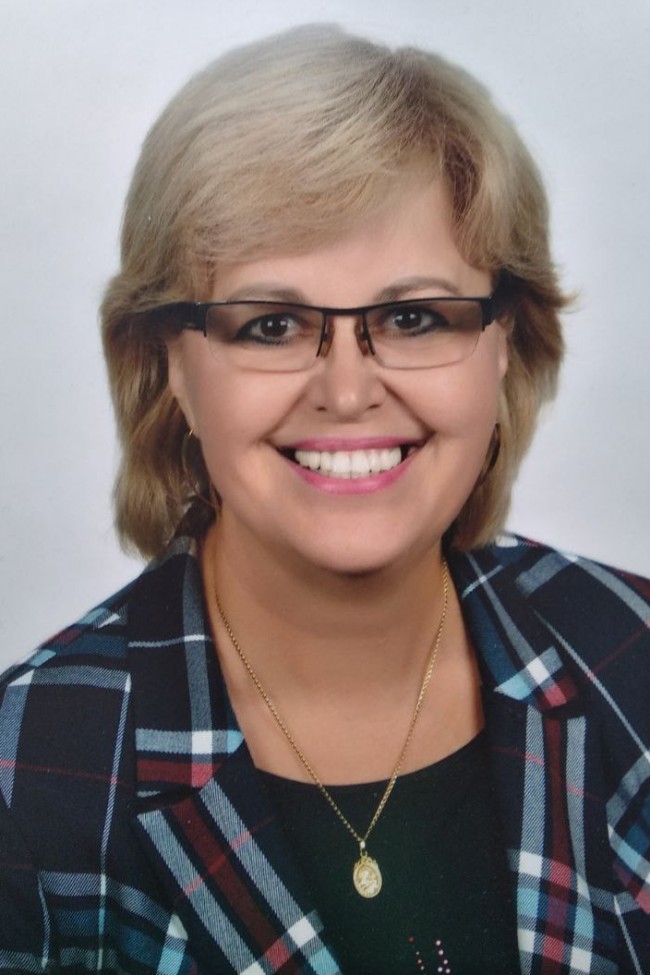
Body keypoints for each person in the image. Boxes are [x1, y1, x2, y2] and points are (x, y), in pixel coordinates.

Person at [0, 24, 648, 975]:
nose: (346, 392)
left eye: (414, 316)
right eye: (271, 324)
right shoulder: (30, 779)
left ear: (507, 344)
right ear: (170, 364)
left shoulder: (633, 652)